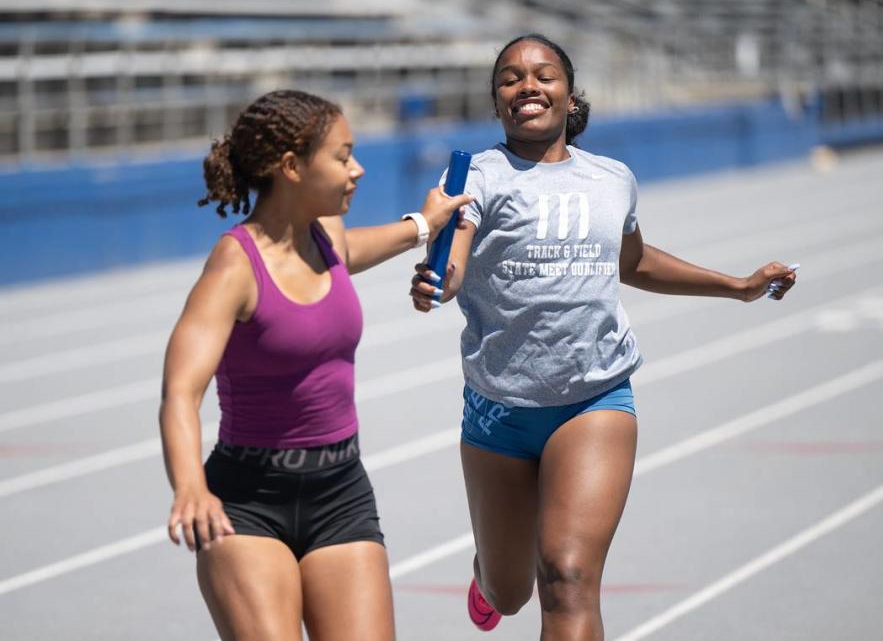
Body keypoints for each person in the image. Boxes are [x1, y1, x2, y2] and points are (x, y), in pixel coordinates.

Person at [409, 34, 797, 638]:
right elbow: (452, 262)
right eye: (510, 78)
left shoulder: (613, 179)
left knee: (566, 576)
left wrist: (737, 285)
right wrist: (438, 281)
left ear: (569, 93)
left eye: (543, 75)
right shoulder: (479, 177)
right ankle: (487, 574)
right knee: (508, 592)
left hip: (595, 400)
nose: (527, 86)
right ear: (496, 101)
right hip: (497, 408)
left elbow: (633, 262)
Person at [159, 89, 472, 641]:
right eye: (342, 156)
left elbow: (352, 251)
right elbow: (182, 392)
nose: (358, 168)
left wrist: (424, 224)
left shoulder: (323, 234)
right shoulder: (235, 266)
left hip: (341, 491)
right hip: (246, 502)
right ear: (292, 167)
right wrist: (190, 486)